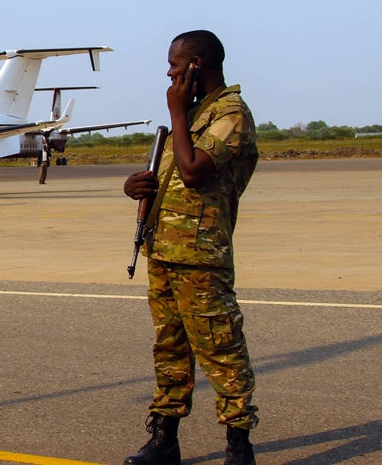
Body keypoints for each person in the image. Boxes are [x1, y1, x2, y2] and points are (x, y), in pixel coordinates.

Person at [122, 30, 258, 465]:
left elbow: (195, 171)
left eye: (176, 65)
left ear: (197, 64)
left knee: (220, 348)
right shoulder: (193, 113)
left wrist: (177, 112)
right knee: (170, 348)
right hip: (163, 251)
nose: (170, 72)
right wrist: (136, 186)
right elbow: (170, 178)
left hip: (200, 256)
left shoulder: (230, 113)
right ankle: (165, 439)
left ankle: (239, 445)